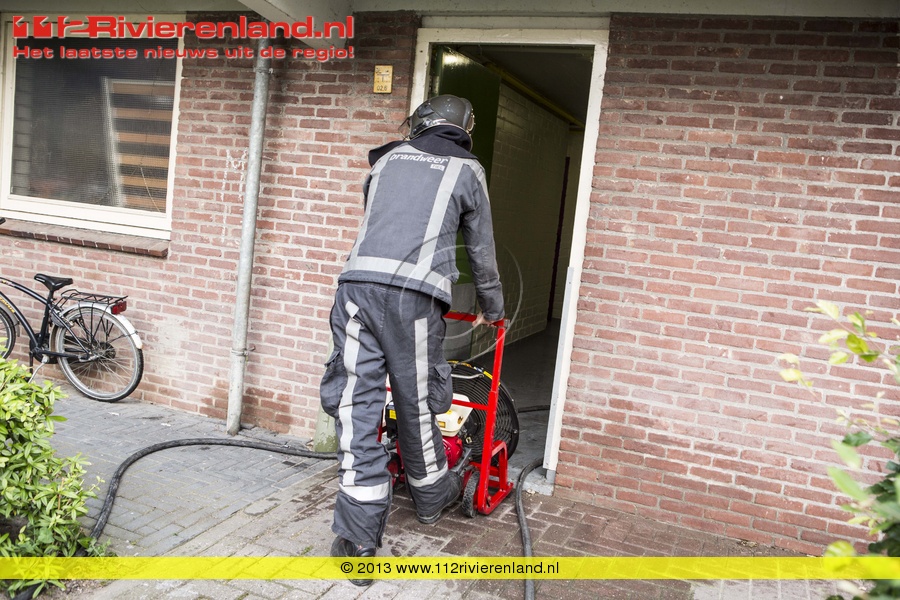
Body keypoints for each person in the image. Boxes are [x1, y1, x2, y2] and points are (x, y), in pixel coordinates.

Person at [319, 94, 504, 584]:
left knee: (355, 405)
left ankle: (358, 540)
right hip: (416, 300)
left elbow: (379, 222)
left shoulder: (384, 161)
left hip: (356, 290)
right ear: (464, 129)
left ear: (420, 123)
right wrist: (493, 308)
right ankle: (430, 496)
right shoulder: (468, 170)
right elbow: (481, 247)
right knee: (417, 399)